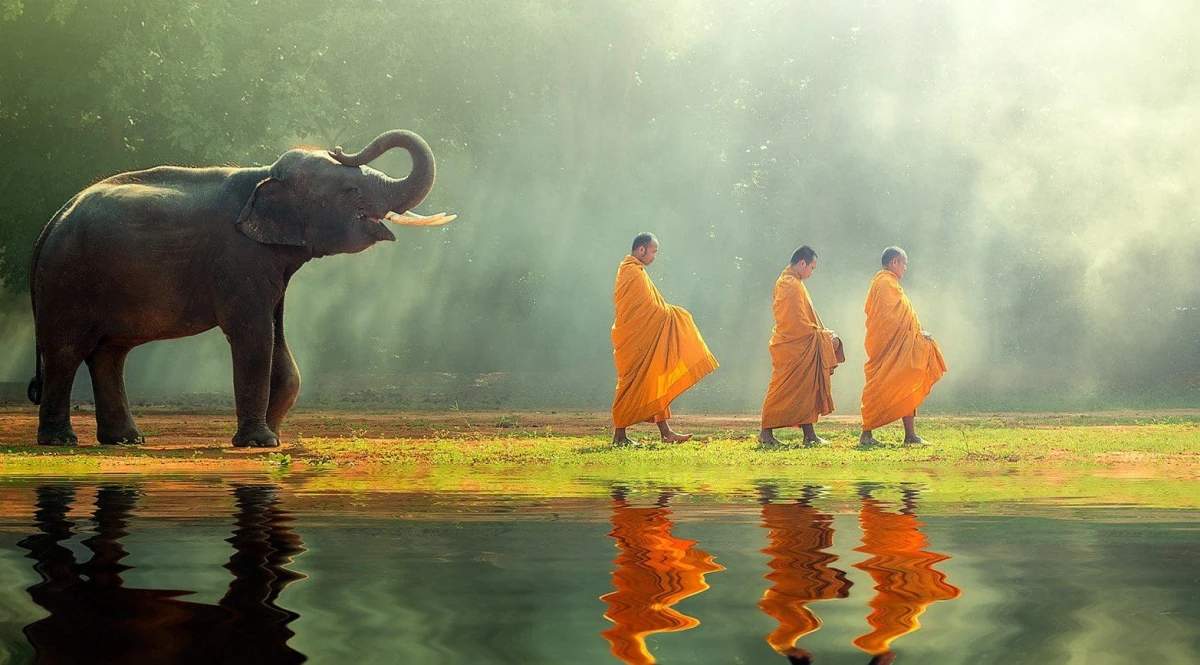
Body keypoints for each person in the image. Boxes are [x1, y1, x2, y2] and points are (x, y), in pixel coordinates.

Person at [611, 232, 719, 445]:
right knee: (629, 383)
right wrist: (673, 315)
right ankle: (619, 435)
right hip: (634, 339)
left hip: (643, 337)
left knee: (655, 377)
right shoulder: (632, 272)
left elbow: (649, 306)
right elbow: (647, 310)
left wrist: (670, 313)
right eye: (654, 252)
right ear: (641, 249)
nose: (654, 257)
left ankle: (666, 432)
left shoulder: (634, 270)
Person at [859, 247, 946, 446]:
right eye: (904, 263)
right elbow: (888, 319)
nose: (905, 268)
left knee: (907, 382)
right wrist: (914, 334)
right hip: (889, 347)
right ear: (894, 262)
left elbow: (904, 316)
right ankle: (866, 434)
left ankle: (910, 435)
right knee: (881, 385)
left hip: (900, 345)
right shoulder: (884, 283)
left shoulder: (889, 283)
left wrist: (917, 333)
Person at [759, 246, 841, 446]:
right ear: (802, 263)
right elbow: (795, 322)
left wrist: (820, 333)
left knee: (808, 388)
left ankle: (809, 434)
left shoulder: (792, 282)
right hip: (794, 344)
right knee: (781, 389)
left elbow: (803, 317)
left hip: (801, 343)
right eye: (812, 267)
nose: (812, 272)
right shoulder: (790, 284)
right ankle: (766, 433)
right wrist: (820, 335)